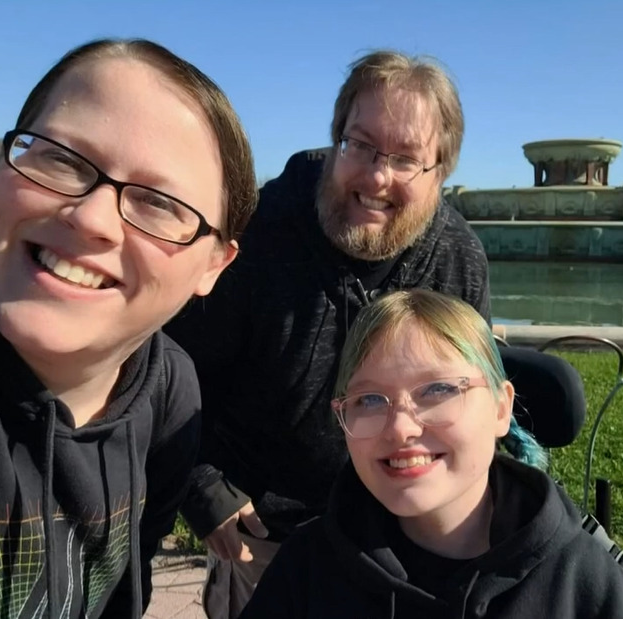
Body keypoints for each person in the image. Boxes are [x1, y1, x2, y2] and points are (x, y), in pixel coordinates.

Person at [0, 38, 257, 618]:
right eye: (60, 158)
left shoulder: (167, 393)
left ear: (214, 265)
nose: (90, 217)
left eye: (160, 202)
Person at [163, 49, 491, 618]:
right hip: (265, 543)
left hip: (411, 539)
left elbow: (476, 399)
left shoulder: (459, 259)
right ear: (336, 139)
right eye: (360, 145)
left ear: (441, 172)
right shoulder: (257, 233)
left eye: (406, 159)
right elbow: (171, 366)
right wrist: (204, 490)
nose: (376, 175)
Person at [238, 290, 623, 618]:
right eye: (369, 399)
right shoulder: (306, 571)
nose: (400, 427)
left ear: (500, 407)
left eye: (438, 390)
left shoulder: (583, 585)